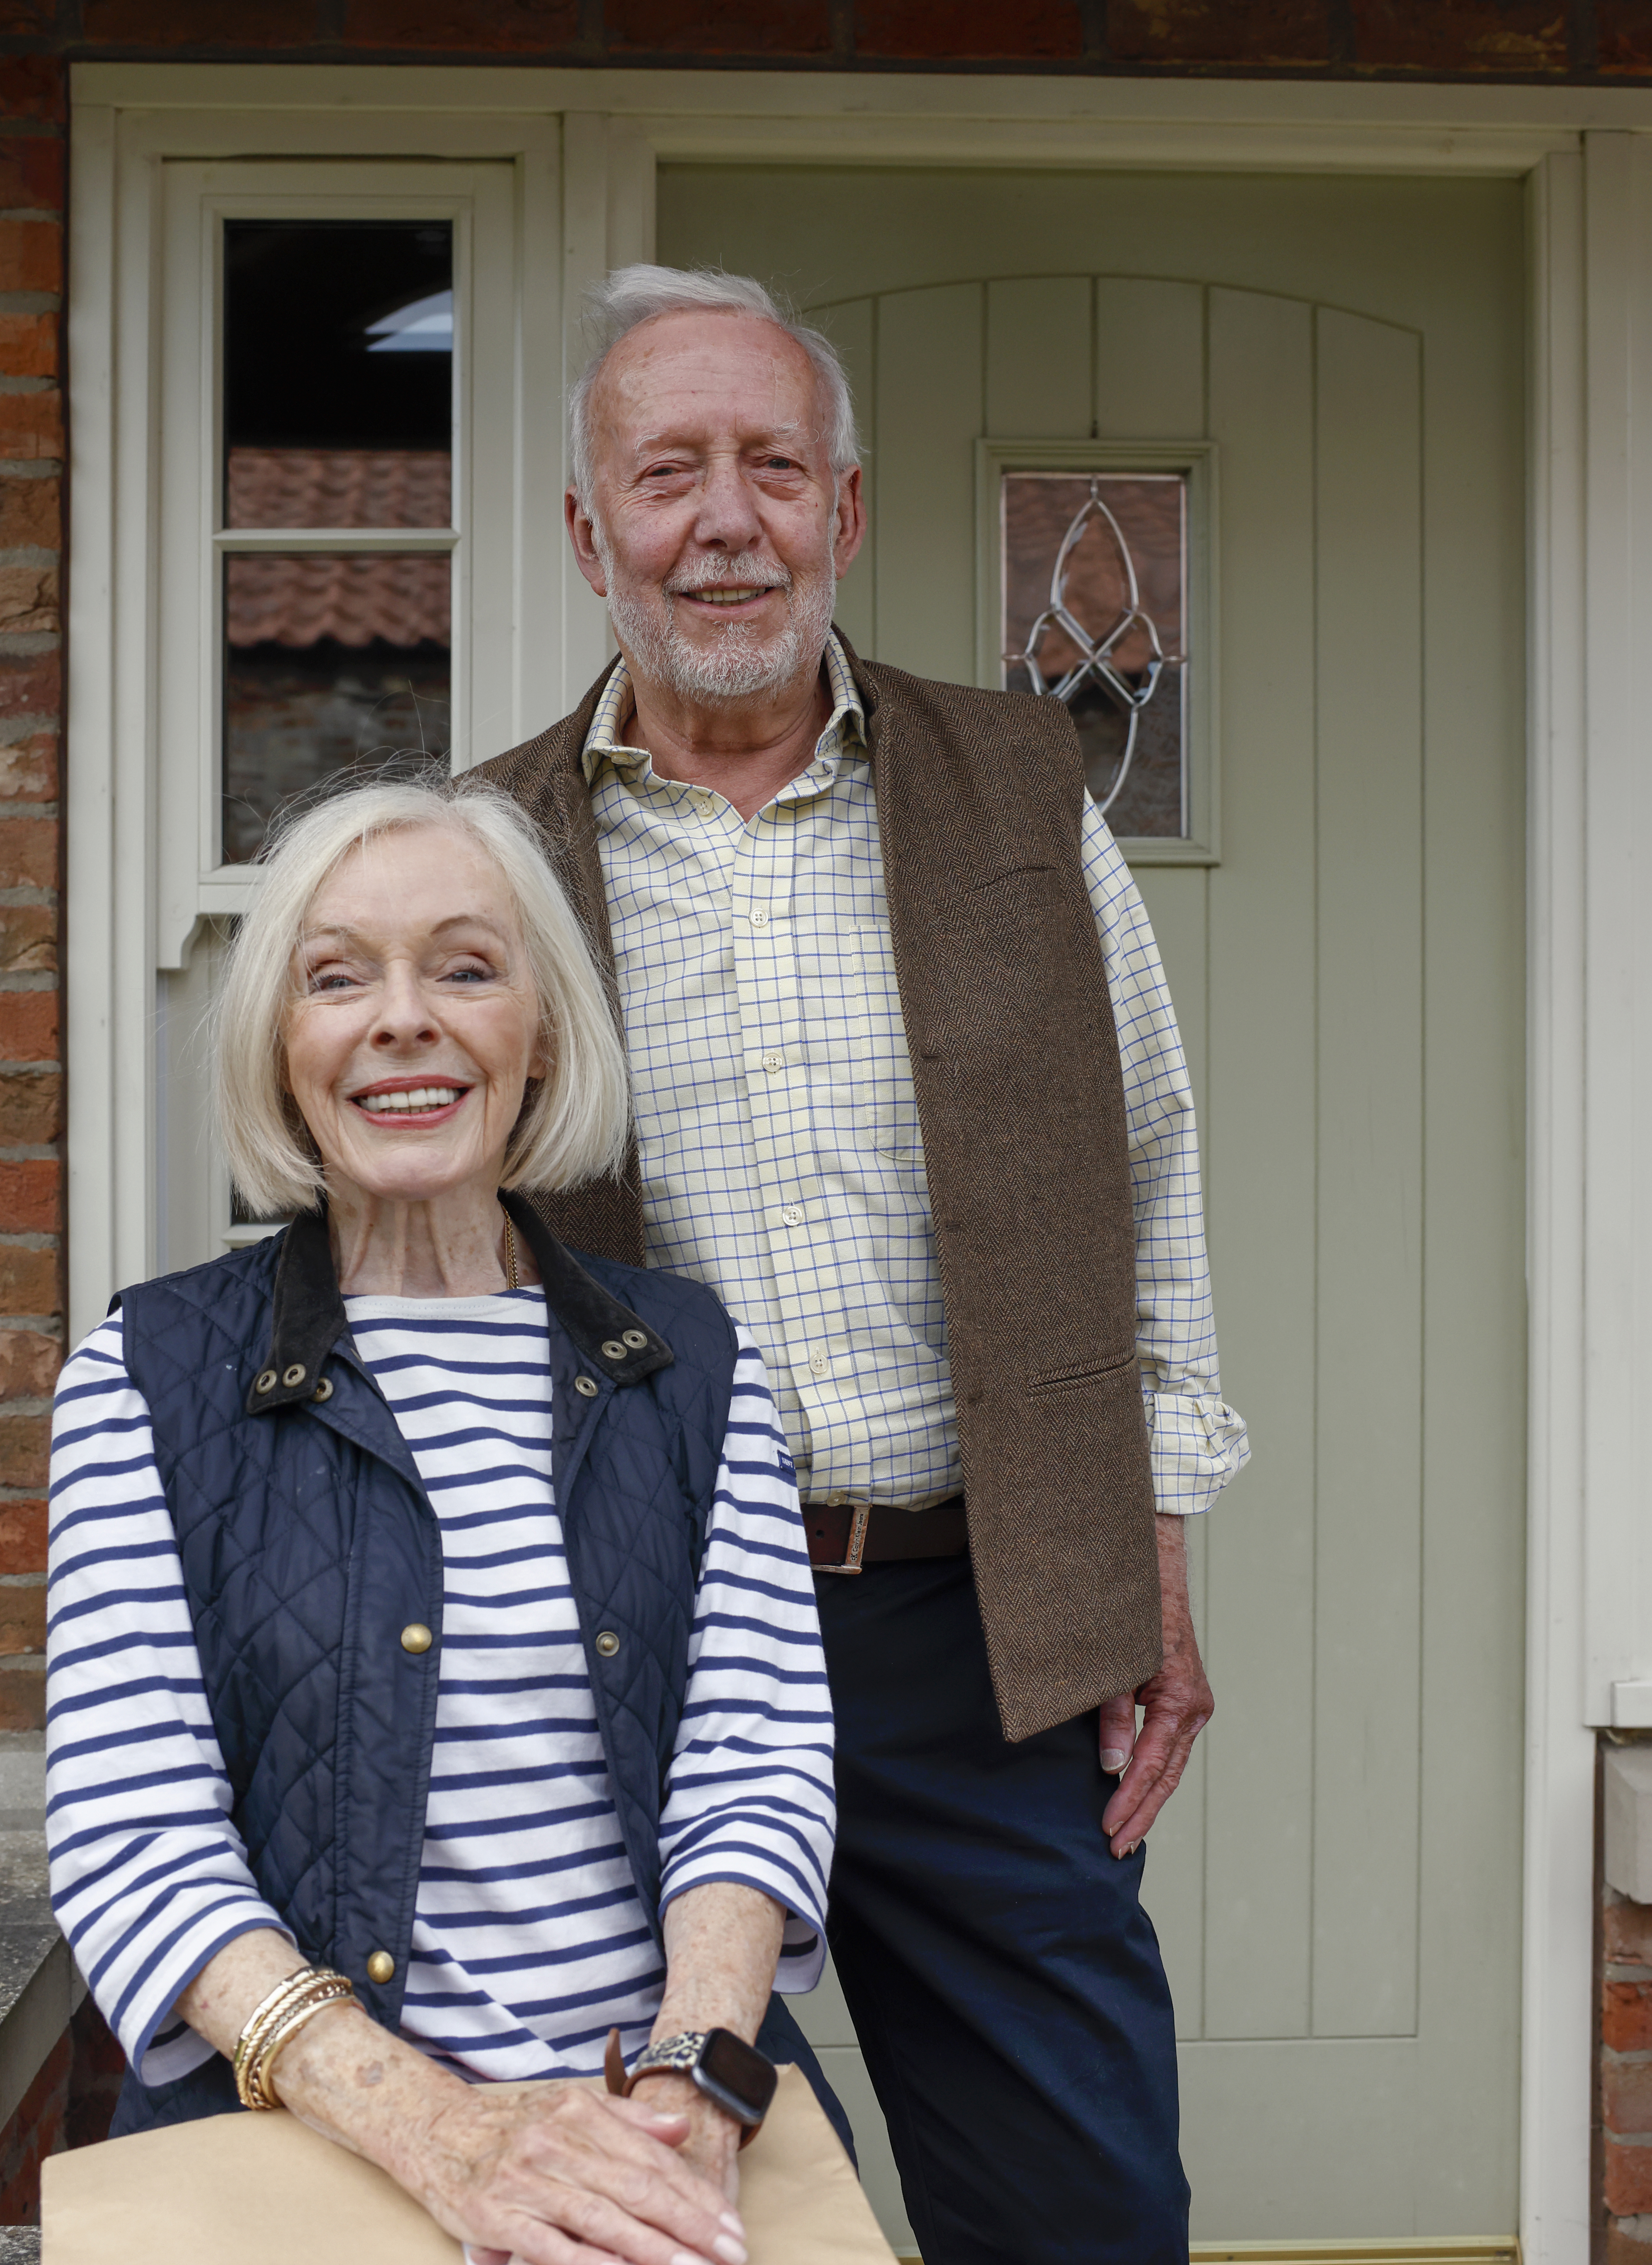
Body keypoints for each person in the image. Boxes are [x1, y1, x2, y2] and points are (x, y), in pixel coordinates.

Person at [468, 264, 1251, 2265]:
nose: (722, 520)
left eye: (771, 467)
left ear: (846, 509)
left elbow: (1144, 1168)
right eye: (666, 474)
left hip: (974, 1622)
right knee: (655, 2211)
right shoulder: (484, 851)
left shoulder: (1014, 787)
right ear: (588, 532)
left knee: (1079, 2207)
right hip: (619, 1646)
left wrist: (1151, 1544)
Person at [43, 776, 844, 2265]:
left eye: (465, 968)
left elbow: (756, 1764)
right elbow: (134, 1837)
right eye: (337, 977)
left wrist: (686, 2087)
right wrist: (447, 2135)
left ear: (539, 1033)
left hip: (659, 2129)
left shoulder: (693, 1365)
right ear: (284, 1050)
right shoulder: (145, 1377)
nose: (401, 1019)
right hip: (316, 2148)